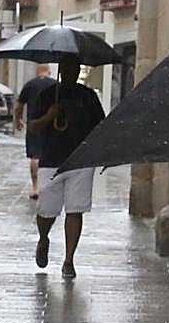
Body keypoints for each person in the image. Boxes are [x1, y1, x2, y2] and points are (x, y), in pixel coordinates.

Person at [29, 57, 104, 280]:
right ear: (61, 71)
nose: (71, 73)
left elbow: (100, 126)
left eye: (75, 69)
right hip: (51, 160)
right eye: (67, 69)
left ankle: (69, 260)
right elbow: (33, 127)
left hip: (80, 161)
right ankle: (43, 238)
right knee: (47, 210)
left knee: (75, 210)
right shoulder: (47, 95)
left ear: (78, 71)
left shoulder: (88, 97)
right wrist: (48, 117)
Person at [14, 64, 55, 200]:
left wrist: (18, 120)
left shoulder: (30, 85)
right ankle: (48, 185)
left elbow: (19, 106)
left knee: (35, 156)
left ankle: (36, 187)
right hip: (52, 125)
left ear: (37, 72)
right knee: (52, 156)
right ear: (49, 72)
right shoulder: (55, 85)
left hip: (34, 125)